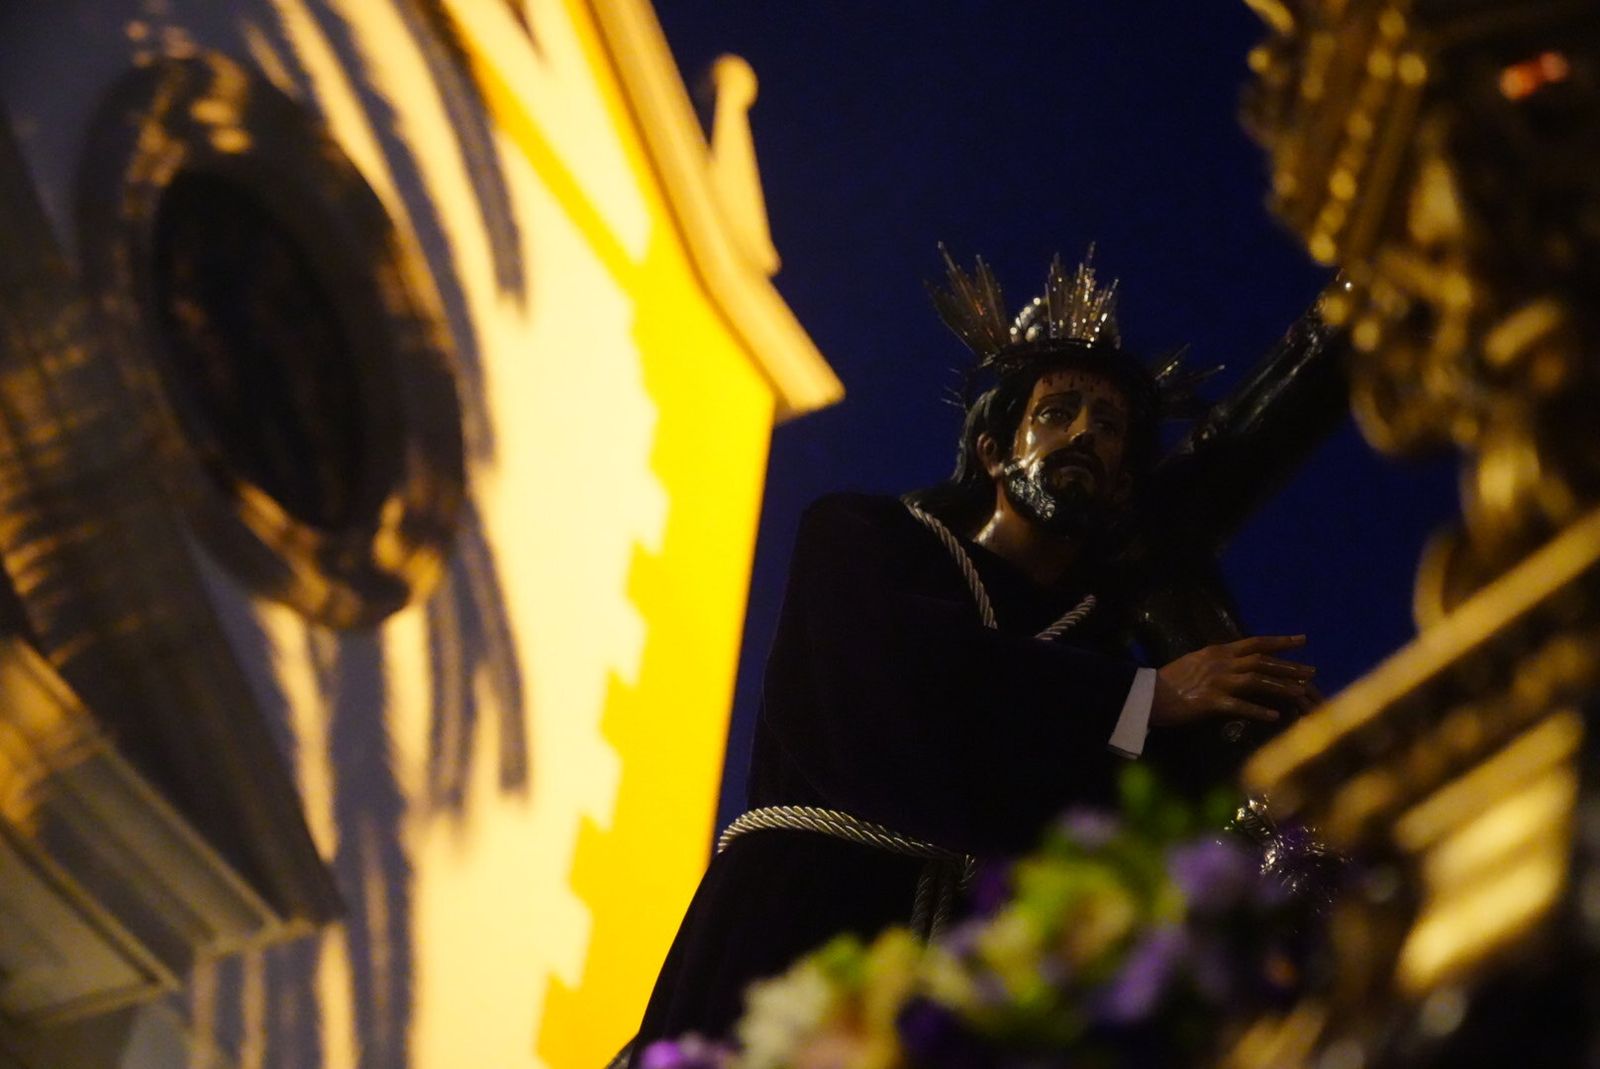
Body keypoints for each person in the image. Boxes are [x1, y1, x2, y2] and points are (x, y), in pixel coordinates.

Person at [628, 248, 1317, 1051]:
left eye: (1110, 427)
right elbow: (900, 684)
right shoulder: (863, 539)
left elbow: (1124, 824)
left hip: (963, 994)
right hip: (791, 933)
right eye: (1057, 412)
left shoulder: (1098, 641)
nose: (1085, 435)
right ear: (994, 450)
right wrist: (1144, 699)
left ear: (1125, 483)